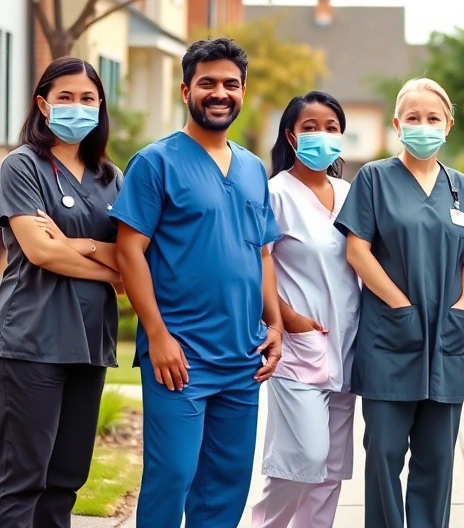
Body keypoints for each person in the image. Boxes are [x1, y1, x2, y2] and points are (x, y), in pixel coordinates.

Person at [111, 38, 284, 528]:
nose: (219, 92)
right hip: (180, 356)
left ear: (243, 92)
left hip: (242, 355)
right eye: (207, 83)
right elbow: (129, 251)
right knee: (173, 474)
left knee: (227, 481)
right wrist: (159, 336)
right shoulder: (155, 162)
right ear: (186, 89)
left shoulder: (252, 168)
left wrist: (274, 324)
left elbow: (262, 251)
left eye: (230, 84)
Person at [336, 78, 464, 528]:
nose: (423, 125)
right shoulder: (374, 178)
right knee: (383, 454)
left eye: (432, 118)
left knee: (437, 460)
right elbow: (357, 250)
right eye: (413, 118)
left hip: (446, 342)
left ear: (448, 125)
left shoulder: (463, 188)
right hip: (390, 339)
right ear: (397, 124)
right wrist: (400, 307)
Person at [0, 57, 122, 528]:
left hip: (90, 344)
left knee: (67, 477)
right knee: (22, 477)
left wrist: (76, 243)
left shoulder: (112, 178)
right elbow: (38, 253)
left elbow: (131, 268)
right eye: (65, 97)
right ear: (43, 105)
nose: (78, 106)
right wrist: (103, 260)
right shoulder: (22, 165)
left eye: (87, 98)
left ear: (100, 105)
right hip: (33, 342)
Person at [251, 91, 359, 528]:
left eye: (331, 128)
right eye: (310, 127)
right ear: (291, 136)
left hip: (347, 345)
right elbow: (256, 264)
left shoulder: (352, 193)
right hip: (298, 348)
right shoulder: (275, 193)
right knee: (303, 456)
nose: (322, 136)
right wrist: (285, 318)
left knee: (330, 472)